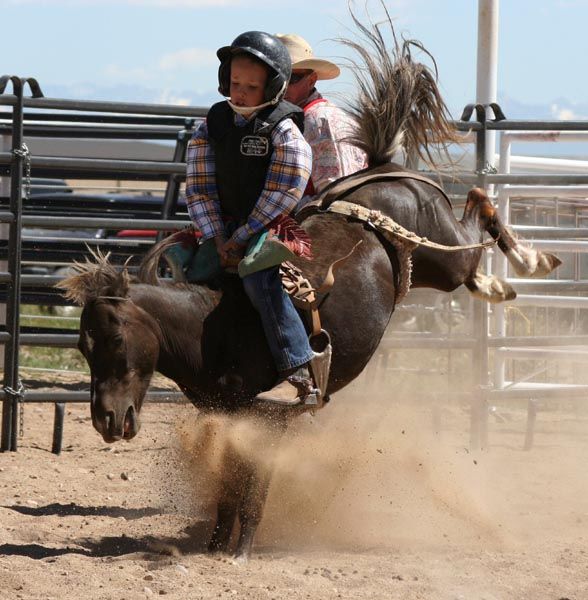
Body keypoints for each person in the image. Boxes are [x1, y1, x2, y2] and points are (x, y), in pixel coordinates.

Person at [185, 31, 317, 407]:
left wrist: (242, 237)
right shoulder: (212, 124)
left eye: (250, 86)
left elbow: (283, 193)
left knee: (261, 280)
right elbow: (199, 187)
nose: (239, 92)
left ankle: (298, 371)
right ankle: (198, 367)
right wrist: (215, 235)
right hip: (222, 227)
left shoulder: (284, 132)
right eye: (235, 83)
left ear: (271, 88)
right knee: (191, 272)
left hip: (268, 226)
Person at [275, 33, 367, 198]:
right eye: (276, 78)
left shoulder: (319, 120)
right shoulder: (304, 116)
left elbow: (334, 196)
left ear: (311, 80)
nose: (283, 86)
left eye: (292, 78)